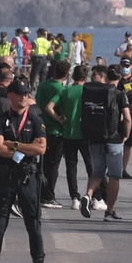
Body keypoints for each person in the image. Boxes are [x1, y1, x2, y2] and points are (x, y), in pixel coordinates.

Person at [0, 81, 49, 263]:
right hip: (5, 177)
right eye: (19, 94)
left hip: (28, 178)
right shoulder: (1, 119)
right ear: (9, 96)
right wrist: (26, 148)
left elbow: (42, 149)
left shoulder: (36, 120)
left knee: (33, 224)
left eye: (26, 93)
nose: (24, 97)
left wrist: (15, 144)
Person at [79, 66, 131, 220]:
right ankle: (109, 211)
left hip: (94, 137)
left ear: (106, 76)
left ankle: (88, 195)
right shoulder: (120, 94)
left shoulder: (92, 91)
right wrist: (126, 135)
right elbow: (127, 118)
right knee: (114, 176)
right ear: (120, 77)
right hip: (113, 139)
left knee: (97, 172)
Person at [54, 64, 94, 209]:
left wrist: (59, 119)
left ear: (73, 76)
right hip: (85, 133)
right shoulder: (88, 91)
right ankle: (93, 196)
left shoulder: (65, 91)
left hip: (69, 132)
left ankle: (75, 198)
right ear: (85, 76)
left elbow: (49, 106)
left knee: (71, 167)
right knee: (91, 166)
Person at [35, 61, 71, 209]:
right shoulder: (60, 89)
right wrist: (60, 119)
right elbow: (51, 107)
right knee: (53, 166)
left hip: (42, 128)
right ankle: (48, 195)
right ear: (67, 74)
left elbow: (37, 103)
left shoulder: (43, 84)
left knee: (42, 164)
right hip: (55, 130)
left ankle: (39, 192)